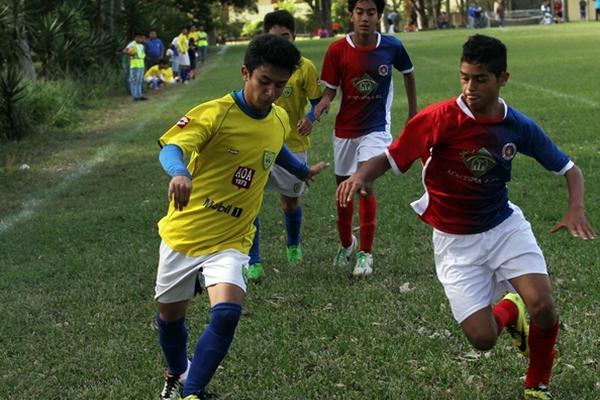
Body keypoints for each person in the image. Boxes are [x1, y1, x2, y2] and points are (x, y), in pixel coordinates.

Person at [336, 34, 597, 400]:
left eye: (480, 79)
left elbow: (570, 169)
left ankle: (537, 382)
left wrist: (576, 208)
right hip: (454, 241)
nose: (470, 87)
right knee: (483, 338)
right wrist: (362, 175)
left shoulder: (517, 126)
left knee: (544, 305)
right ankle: (510, 308)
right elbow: (392, 157)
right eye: (464, 77)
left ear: (502, 78)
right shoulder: (437, 119)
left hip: (504, 227)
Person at [154, 34, 329, 400]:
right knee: (170, 320)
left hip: (232, 239)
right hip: (184, 234)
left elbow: (275, 145)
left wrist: (300, 170)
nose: (272, 92)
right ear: (245, 72)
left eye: (280, 85)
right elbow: (173, 147)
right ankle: (176, 372)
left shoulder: (279, 116)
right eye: (264, 82)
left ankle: (193, 392)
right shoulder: (215, 113)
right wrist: (179, 172)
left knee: (228, 313)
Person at [314, 0, 417, 276]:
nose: (365, 18)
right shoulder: (337, 49)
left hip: (376, 128)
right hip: (345, 131)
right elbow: (330, 91)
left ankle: (365, 255)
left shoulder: (391, 46)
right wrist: (320, 106)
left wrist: (413, 112)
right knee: (343, 193)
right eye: (360, 12)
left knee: (364, 185)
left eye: (371, 13)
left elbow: (408, 72)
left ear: (379, 16)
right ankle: (347, 244)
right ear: (351, 15)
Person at [244, 10, 324, 281]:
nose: (281, 42)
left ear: (294, 36)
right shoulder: (259, 65)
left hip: (293, 143)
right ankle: (253, 260)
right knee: (251, 202)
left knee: (290, 203)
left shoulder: (304, 67)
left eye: (286, 36)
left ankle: (293, 245)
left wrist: (310, 118)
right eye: (275, 37)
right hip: (259, 143)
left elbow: (318, 102)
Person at [123, 32, 147, 101]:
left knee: (139, 81)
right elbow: (125, 50)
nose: (140, 39)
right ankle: (135, 96)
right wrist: (130, 54)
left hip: (141, 64)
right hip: (134, 64)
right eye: (138, 38)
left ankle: (140, 95)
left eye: (141, 38)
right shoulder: (132, 44)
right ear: (135, 38)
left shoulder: (141, 46)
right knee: (134, 81)